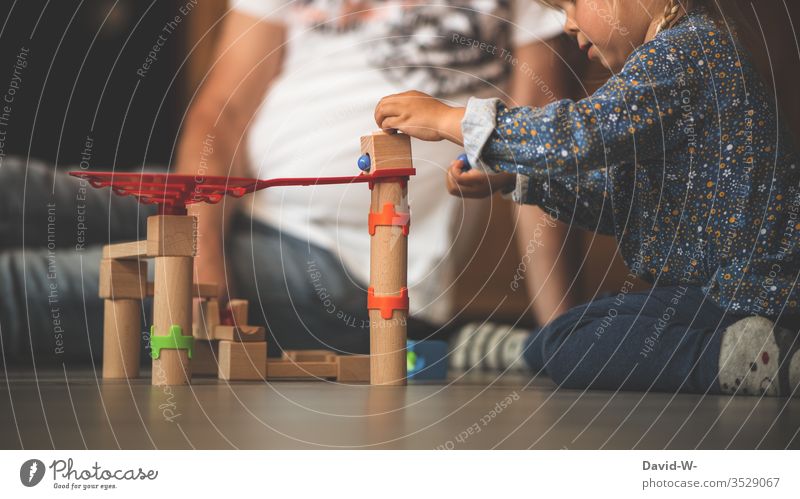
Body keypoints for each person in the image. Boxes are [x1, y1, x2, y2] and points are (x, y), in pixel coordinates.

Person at [373, 0, 800, 397]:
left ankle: (737, 360)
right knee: (581, 325)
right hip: (723, 299)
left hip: (747, 298)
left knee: (574, 340)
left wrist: (453, 120)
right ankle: (535, 349)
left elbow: (578, 135)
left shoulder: (684, 55)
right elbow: (623, 202)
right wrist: (518, 180)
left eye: (573, 3)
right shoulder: (686, 56)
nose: (568, 22)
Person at [175, 0, 570, 357]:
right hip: (237, 214)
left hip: (352, 270)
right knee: (127, 210)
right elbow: (221, 114)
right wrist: (202, 254)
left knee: (140, 273)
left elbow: (535, 151)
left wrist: (564, 331)